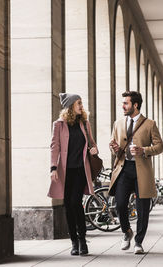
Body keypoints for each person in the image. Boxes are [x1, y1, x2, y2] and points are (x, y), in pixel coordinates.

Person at [108, 91, 163, 254]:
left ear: (135, 105)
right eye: (123, 102)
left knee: (143, 208)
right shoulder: (117, 123)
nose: (123, 105)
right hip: (124, 169)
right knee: (120, 204)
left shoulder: (150, 124)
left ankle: (138, 242)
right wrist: (115, 149)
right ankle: (126, 232)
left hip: (142, 171)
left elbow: (160, 146)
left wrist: (143, 150)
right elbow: (113, 145)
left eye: (126, 103)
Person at [48, 93, 99, 256]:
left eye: (81, 102)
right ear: (70, 107)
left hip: (80, 170)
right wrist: (53, 168)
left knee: (75, 202)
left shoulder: (84, 123)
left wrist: (94, 149)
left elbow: (91, 142)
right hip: (65, 171)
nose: (81, 105)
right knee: (68, 205)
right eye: (78, 103)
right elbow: (54, 146)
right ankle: (74, 242)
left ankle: (82, 239)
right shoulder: (59, 125)